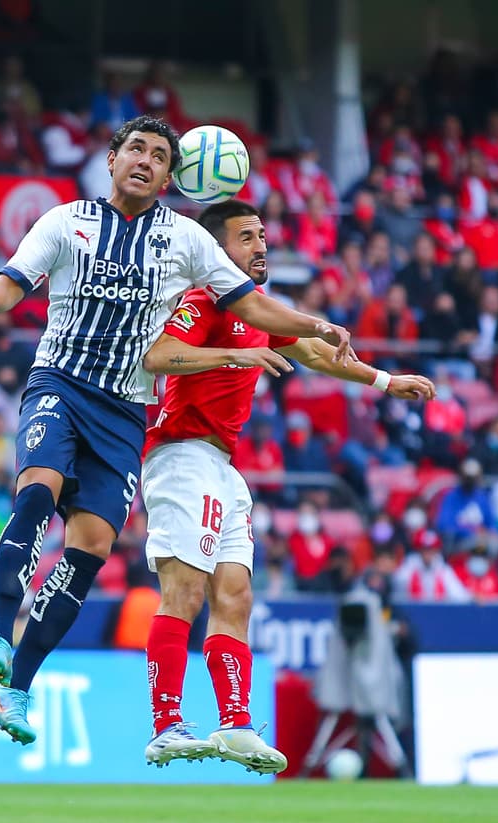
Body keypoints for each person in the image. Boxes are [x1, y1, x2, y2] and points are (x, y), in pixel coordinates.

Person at [0, 116, 357, 745]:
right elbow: (4, 296)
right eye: (134, 149)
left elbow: (249, 304)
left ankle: (15, 690)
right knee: (38, 489)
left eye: (159, 155)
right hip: (60, 382)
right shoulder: (65, 222)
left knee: (86, 555)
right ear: (111, 160)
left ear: (173, 177)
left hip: (124, 413)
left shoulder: (188, 241)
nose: (144, 160)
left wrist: (316, 324)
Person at [138, 199, 434, 770]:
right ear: (215, 250)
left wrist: (383, 380)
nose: (260, 246)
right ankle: (166, 724)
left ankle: (234, 725)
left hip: (223, 467)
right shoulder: (202, 301)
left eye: (263, 236)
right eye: (246, 236)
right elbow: (159, 355)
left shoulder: (255, 313)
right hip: (181, 456)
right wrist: (225, 352)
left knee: (236, 595)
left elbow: (318, 354)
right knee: (187, 592)